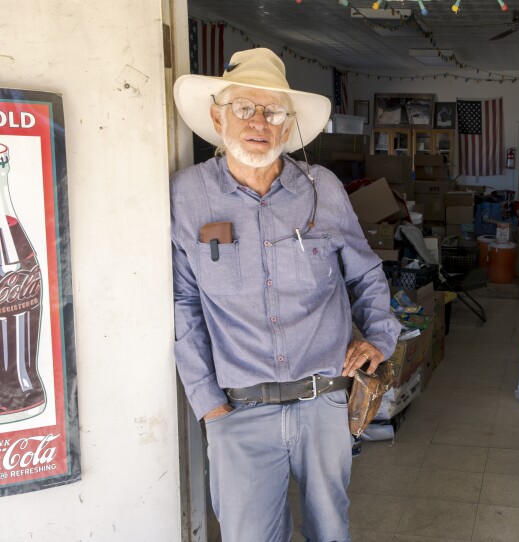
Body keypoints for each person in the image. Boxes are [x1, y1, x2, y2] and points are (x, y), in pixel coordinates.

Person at [170, 48, 401, 542]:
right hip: (238, 411)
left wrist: (380, 337)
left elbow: (366, 272)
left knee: (330, 532)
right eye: (244, 108)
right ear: (218, 117)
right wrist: (207, 403)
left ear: (288, 124)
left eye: (273, 111)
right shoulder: (186, 195)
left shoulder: (322, 188)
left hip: (323, 404)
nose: (259, 122)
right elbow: (183, 303)